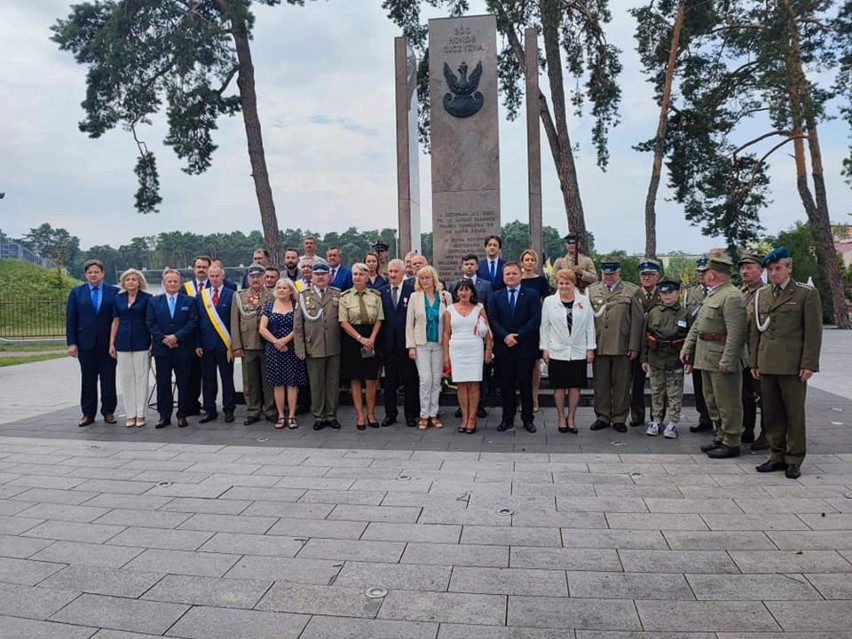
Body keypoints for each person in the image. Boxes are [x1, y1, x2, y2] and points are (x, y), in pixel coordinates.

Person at [750, 247, 822, 479]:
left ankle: (794, 458)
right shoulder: (763, 294)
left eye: (778, 268)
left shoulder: (805, 294)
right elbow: (756, 332)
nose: (773, 274)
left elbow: (813, 332)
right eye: (770, 269)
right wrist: (754, 361)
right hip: (767, 363)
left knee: (794, 414)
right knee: (771, 413)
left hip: (792, 364)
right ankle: (776, 454)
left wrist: (809, 363)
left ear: (789, 268)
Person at [680, 253, 748, 459]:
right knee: (713, 401)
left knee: (727, 403)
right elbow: (699, 326)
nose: (705, 275)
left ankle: (732, 441)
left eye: (707, 272)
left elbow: (736, 334)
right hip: (707, 357)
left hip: (721, 359)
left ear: (713, 275)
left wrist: (728, 360)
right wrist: (687, 347)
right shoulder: (713, 295)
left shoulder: (732, 296)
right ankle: (720, 435)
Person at [586, 257, 643, 433]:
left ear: (619, 273)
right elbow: (587, 320)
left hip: (622, 343)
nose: (608, 278)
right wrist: (589, 345)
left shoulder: (632, 291)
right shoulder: (592, 290)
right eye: (605, 274)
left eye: (612, 274)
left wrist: (634, 345)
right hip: (600, 343)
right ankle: (602, 416)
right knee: (601, 383)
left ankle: (619, 417)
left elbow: (637, 320)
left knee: (622, 383)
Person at [487, 261, 543, 433]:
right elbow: (493, 320)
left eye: (514, 273)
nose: (510, 276)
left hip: (524, 347)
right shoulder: (495, 296)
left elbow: (535, 319)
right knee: (506, 386)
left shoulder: (532, 295)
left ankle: (528, 419)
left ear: (520, 275)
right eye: (507, 274)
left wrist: (517, 336)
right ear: (503, 277)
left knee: (526, 385)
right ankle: (507, 419)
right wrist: (505, 336)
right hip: (504, 348)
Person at [540, 268, 596, 433]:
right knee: (559, 386)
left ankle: (571, 417)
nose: (564, 286)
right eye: (561, 283)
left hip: (578, 349)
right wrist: (545, 348)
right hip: (557, 349)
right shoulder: (550, 302)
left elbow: (589, 326)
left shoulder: (584, 301)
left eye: (567, 283)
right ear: (557, 284)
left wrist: (590, 348)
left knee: (574, 386)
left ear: (573, 284)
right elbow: (545, 327)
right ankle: (560, 416)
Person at [66, 259, 119, 427]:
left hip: (107, 344)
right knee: (88, 379)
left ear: (103, 273)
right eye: (90, 272)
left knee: (108, 378)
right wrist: (72, 343)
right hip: (85, 343)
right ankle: (88, 413)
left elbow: (118, 318)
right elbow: (71, 319)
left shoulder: (114, 292)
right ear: (86, 274)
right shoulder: (77, 292)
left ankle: (108, 411)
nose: (93, 275)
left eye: (96, 272)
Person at [146, 269, 198, 428]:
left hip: (183, 348)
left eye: (175, 281)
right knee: (163, 383)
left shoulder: (189, 301)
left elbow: (192, 322)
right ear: (164, 283)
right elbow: (150, 323)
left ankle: (182, 414)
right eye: (169, 281)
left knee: (184, 382)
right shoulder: (154, 301)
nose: (173, 284)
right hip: (162, 349)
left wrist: (177, 337)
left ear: (179, 283)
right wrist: (164, 339)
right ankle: (164, 415)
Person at [294, 262, 343, 430]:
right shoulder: (303, 296)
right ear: (312, 277)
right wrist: (300, 348)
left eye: (323, 274)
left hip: (333, 346)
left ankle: (331, 415)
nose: (320, 277)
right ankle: (319, 416)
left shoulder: (337, 294)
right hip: (313, 347)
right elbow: (298, 325)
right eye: (317, 274)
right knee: (316, 384)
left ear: (329, 276)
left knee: (332, 383)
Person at [641, 278, 689, 439]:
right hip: (656, 357)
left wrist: (690, 360)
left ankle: (673, 422)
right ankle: (655, 420)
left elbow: (691, 338)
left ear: (678, 292)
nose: (667, 295)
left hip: (675, 358)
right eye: (663, 292)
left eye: (670, 292)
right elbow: (645, 336)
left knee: (675, 392)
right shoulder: (653, 312)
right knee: (656, 391)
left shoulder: (685, 313)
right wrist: (644, 358)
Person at [406, 265, 453, 430]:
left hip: (439, 344)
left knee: (436, 380)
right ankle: (424, 414)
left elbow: (449, 322)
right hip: (421, 344)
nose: (425, 281)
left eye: (427, 277)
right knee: (425, 380)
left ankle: (434, 414)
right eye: (421, 278)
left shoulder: (445, 296)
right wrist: (411, 346)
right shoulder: (415, 297)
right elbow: (409, 324)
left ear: (434, 279)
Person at [443, 279, 493, 433]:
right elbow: (446, 333)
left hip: (475, 349)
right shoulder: (449, 310)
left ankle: (472, 418)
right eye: (460, 290)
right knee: (461, 385)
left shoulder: (479, 308)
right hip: (457, 349)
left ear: (472, 292)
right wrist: (446, 354)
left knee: (473, 385)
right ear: (456, 292)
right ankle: (464, 417)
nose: (463, 293)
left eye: (466, 290)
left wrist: (488, 350)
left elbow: (488, 332)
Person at [339, 263, 384, 429]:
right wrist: (360, 338)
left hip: (372, 336)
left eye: (360, 274)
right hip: (353, 338)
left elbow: (379, 319)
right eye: (355, 274)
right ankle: (360, 415)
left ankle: (371, 413)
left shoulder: (375, 296)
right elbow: (343, 322)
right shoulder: (345, 297)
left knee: (371, 379)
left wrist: (371, 338)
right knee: (355, 379)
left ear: (367, 276)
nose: (357, 277)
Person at [259, 277, 307, 429]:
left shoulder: (296, 305)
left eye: (285, 288)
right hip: (273, 349)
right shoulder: (269, 305)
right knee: (278, 384)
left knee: (292, 383)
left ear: (291, 291)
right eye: (279, 287)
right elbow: (262, 328)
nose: (281, 290)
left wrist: (285, 341)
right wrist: (276, 342)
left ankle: (292, 415)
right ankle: (281, 415)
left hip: (292, 348)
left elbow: (300, 326)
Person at [231, 263, 275, 425]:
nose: (256, 279)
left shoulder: (272, 295)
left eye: (258, 276)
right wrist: (237, 346)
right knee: (250, 381)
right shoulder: (239, 296)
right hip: (247, 344)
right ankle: (253, 410)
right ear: (248, 278)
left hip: (267, 344)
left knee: (269, 380)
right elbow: (234, 322)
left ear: (264, 278)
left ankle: (271, 410)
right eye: (252, 277)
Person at [108, 268, 152, 428]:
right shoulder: (118, 299)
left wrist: (152, 342)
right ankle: (130, 413)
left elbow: (150, 321)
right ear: (124, 282)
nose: (131, 282)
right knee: (127, 379)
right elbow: (115, 321)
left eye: (134, 279)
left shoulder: (147, 298)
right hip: (123, 342)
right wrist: (111, 343)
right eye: (128, 279)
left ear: (139, 281)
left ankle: (141, 413)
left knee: (141, 378)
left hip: (142, 341)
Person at [379, 259, 419, 427]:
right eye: (390, 272)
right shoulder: (382, 292)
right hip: (389, 346)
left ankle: (410, 414)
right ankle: (390, 414)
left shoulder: (412, 292)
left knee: (410, 381)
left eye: (396, 272)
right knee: (389, 382)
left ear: (403, 273)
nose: (393, 275)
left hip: (407, 344)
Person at [195, 265, 236, 423]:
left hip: (225, 345)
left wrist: (235, 345)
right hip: (206, 346)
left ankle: (229, 409)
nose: (214, 279)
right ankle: (209, 409)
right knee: (208, 379)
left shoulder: (231, 295)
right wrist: (198, 344)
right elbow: (197, 322)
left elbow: (234, 322)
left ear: (222, 276)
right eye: (211, 276)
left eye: (217, 276)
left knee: (227, 379)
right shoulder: (201, 296)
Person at [738, 251, 768, 450]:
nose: (744, 271)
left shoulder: (765, 294)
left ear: (761, 270)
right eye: (742, 267)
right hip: (742, 353)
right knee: (744, 394)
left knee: (764, 397)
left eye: (749, 267)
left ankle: (767, 434)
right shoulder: (740, 292)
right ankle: (746, 430)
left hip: (759, 353)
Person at [630, 258, 662, 428]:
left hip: (659, 346)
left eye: (650, 275)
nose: (646, 278)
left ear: (657, 276)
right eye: (643, 275)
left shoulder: (663, 294)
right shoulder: (635, 295)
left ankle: (658, 416)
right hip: (638, 344)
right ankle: (637, 415)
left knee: (660, 383)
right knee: (637, 383)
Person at [683, 257, 713, 433]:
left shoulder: (718, 292)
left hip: (714, 345)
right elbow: (687, 322)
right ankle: (704, 417)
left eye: (705, 271)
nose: (701, 275)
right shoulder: (690, 293)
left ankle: (719, 420)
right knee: (699, 385)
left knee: (715, 387)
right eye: (699, 272)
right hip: (697, 346)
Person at [520, 248, 551, 413]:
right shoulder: (517, 279)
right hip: (518, 323)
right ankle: (522, 398)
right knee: (520, 363)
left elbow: (546, 302)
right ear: (522, 262)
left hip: (535, 323)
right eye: (526, 259)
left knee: (534, 363)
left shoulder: (541, 281)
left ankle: (534, 397)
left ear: (536, 262)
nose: (529, 262)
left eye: (532, 260)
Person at [183, 255, 212, 416]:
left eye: (204, 267)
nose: (201, 270)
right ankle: (191, 404)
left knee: (208, 376)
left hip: (210, 337)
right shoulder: (184, 288)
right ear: (193, 269)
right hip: (190, 338)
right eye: (198, 267)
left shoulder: (218, 286)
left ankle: (209, 406)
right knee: (191, 374)